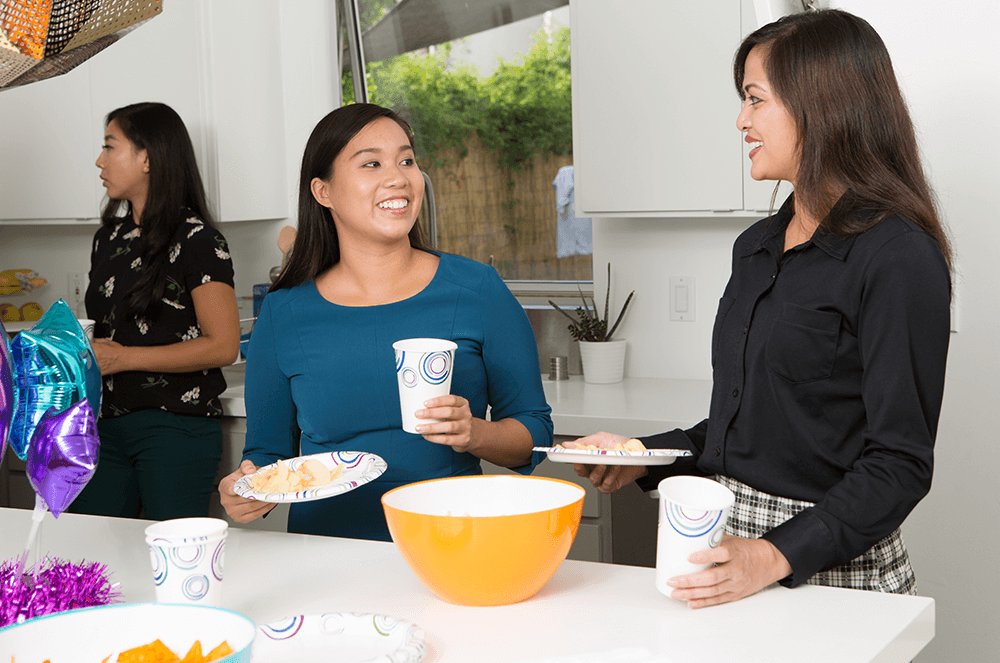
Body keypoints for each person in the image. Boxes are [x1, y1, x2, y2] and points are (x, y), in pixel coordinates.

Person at [569, 9, 952, 608]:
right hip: (728, 550)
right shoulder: (756, 247)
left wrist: (772, 555)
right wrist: (645, 454)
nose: (741, 120)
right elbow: (747, 430)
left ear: (821, 105)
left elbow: (899, 464)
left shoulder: (897, 256)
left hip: (829, 568)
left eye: (756, 99)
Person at [219, 103, 553, 541]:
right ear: (324, 192)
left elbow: (534, 431)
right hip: (327, 552)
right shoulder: (284, 312)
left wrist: (475, 433)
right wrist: (245, 489)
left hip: (452, 545)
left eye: (407, 160)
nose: (398, 177)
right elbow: (267, 457)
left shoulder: (477, 289)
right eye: (372, 163)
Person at [69, 102, 241, 520]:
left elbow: (224, 346)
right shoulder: (108, 238)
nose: (99, 160)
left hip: (174, 428)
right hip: (103, 427)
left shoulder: (199, 239)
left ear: (146, 158)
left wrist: (123, 358)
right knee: (99, 558)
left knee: (174, 558)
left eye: (110, 147)